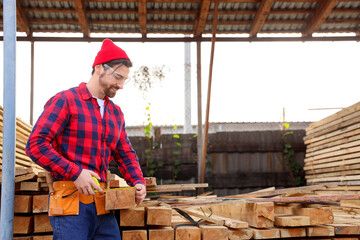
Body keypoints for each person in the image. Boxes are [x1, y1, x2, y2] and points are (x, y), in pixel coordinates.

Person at [25, 39, 146, 240]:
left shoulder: (115, 113)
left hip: (103, 205)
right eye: (118, 77)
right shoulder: (66, 101)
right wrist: (75, 173)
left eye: (125, 79)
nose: (121, 85)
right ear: (99, 68)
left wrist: (138, 181)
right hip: (71, 204)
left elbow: (125, 154)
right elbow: (36, 145)